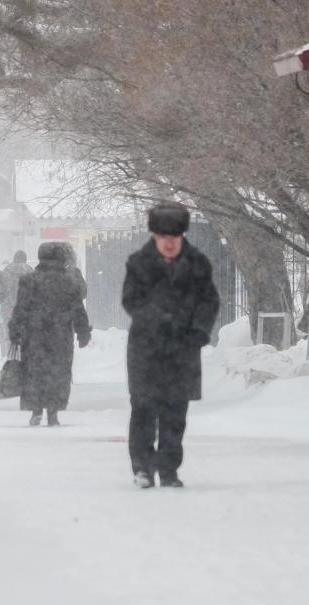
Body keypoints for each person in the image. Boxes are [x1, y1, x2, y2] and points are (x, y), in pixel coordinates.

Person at [121, 202, 220, 489]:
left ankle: (168, 469)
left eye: (173, 239)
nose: (168, 244)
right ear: (154, 237)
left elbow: (209, 301)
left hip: (183, 348)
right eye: (163, 239)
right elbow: (131, 301)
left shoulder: (197, 263)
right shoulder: (138, 263)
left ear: (181, 238)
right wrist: (159, 319)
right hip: (146, 349)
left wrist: (199, 331)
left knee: (175, 412)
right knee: (143, 409)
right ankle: (142, 467)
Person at [8, 243, 91, 427]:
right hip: (60, 336)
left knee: (35, 372)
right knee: (58, 373)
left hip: (34, 336)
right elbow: (78, 310)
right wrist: (83, 332)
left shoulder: (29, 280)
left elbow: (20, 309)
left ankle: (36, 410)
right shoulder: (69, 282)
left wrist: (15, 330)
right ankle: (53, 412)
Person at [0, 250, 34, 357]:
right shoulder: (30, 271)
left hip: (8, 310)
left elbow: (1, 290)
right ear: (25, 259)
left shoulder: (6, 271)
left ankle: (11, 357)